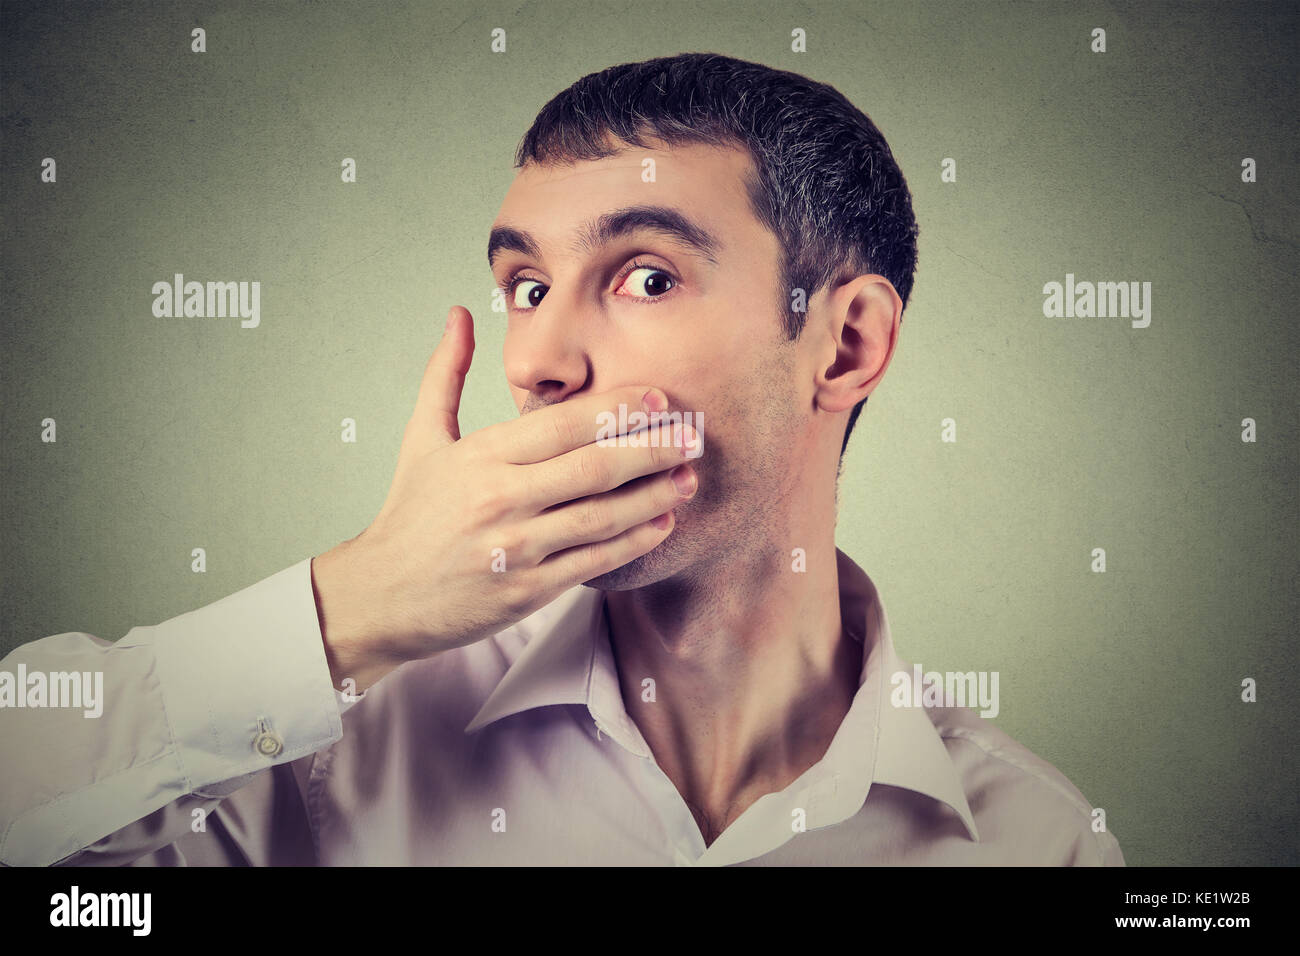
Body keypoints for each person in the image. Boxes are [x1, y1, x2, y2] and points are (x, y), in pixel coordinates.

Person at [0, 52, 1123, 866]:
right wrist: (348, 607)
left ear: (843, 343)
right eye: (525, 286)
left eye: (644, 276)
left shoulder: (1036, 840)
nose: (535, 356)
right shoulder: (322, 765)